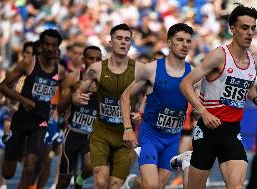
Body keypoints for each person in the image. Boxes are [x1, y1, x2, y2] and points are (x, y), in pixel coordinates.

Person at [180, 4, 257, 189]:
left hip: (232, 132)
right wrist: (204, 112)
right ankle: (186, 163)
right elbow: (185, 84)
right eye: (245, 27)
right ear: (232, 29)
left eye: (253, 28)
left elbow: (249, 86)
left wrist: (255, 98)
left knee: (236, 186)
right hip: (207, 131)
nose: (250, 33)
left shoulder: (255, 61)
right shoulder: (219, 56)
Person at [120, 23, 194, 189]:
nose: (184, 44)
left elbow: (199, 104)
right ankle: (131, 182)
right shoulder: (151, 69)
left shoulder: (193, 73)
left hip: (173, 138)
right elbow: (125, 96)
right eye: (180, 40)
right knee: (152, 186)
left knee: (158, 186)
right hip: (151, 136)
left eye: (188, 41)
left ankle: (133, 183)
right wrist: (127, 128)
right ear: (169, 42)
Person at [72, 23, 141, 189]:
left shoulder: (140, 69)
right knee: (100, 181)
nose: (123, 42)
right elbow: (77, 93)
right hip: (101, 132)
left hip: (124, 135)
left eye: (127, 39)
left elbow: (151, 91)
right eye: (119, 38)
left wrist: (141, 111)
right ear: (110, 43)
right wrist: (76, 98)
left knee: (114, 186)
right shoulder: (96, 69)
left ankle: (127, 182)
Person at [0, 29, 65, 189]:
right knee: (8, 173)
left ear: (57, 48)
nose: (50, 48)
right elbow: (3, 86)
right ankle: (11, 145)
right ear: (41, 45)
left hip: (40, 122)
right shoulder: (29, 62)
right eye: (47, 44)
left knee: (30, 165)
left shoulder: (60, 71)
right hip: (21, 119)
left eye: (53, 45)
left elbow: (68, 92)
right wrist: (23, 99)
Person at [56, 45, 102, 189]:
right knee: (63, 180)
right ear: (83, 59)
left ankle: (79, 181)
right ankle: (72, 181)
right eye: (91, 58)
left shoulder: (105, 82)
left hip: (90, 135)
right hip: (72, 133)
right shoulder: (72, 78)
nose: (94, 61)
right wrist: (73, 94)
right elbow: (60, 108)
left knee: (89, 167)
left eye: (98, 59)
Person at [0, 41, 34, 189]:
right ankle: (3, 183)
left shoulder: (37, 73)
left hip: (29, 116)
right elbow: (3, 89)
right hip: (12, 111)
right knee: (8, 145)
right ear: (22, 53)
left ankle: (25, 183)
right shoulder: (13, 70)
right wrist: (2, 101)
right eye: (27, 53)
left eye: (32, 54)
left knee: (27, 155)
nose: (29, 56)